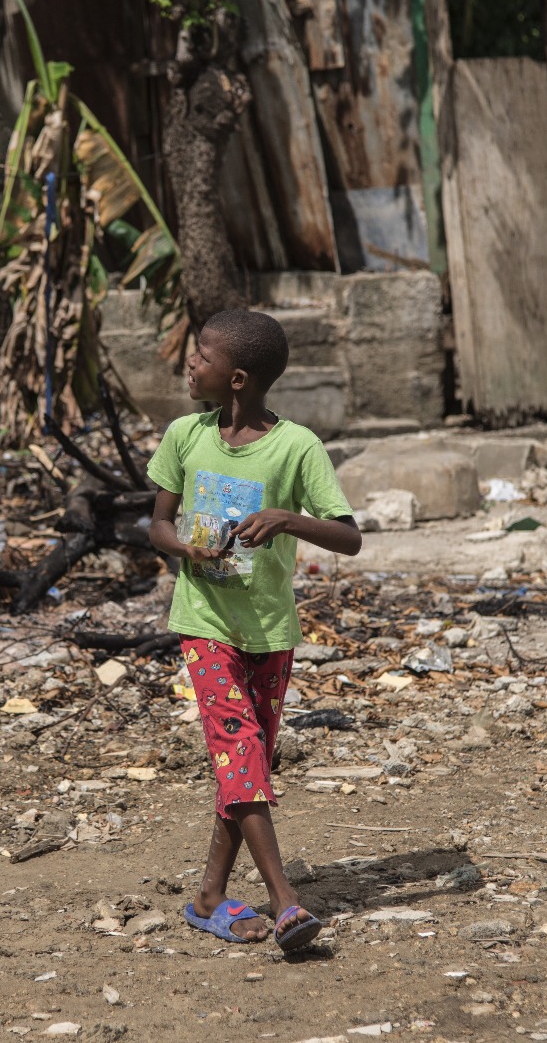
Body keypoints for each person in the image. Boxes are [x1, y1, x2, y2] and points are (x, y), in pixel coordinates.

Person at [144, 309, 361, 951]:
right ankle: (285, 901)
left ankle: (209, 896)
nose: (190, 362)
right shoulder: (186, 435)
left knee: (247, 768)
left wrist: (287, 519)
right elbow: (158, 524)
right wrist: (186, 549)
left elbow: (348, 536)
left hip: (269, 630)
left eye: (201, 356)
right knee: (242, 758)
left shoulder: (297, 447)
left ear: (236, 379)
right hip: (203, 623)